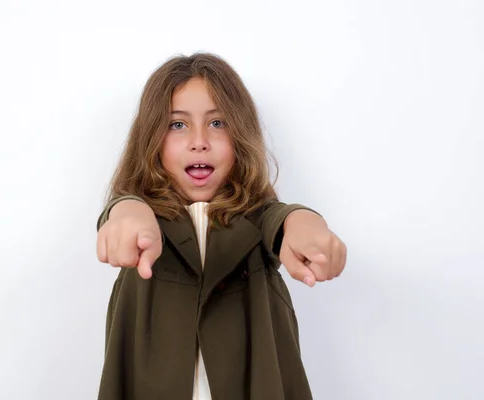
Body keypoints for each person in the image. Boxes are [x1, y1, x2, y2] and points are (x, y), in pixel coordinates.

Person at [95, 52, 347, 400]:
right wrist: (126, 210)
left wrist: (304, 222)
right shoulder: (141, 219)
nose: (200, 141)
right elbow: (123, 211)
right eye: (177, 124)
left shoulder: (257, 218)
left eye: (218, 123)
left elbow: (279, 217)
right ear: (151, 138)